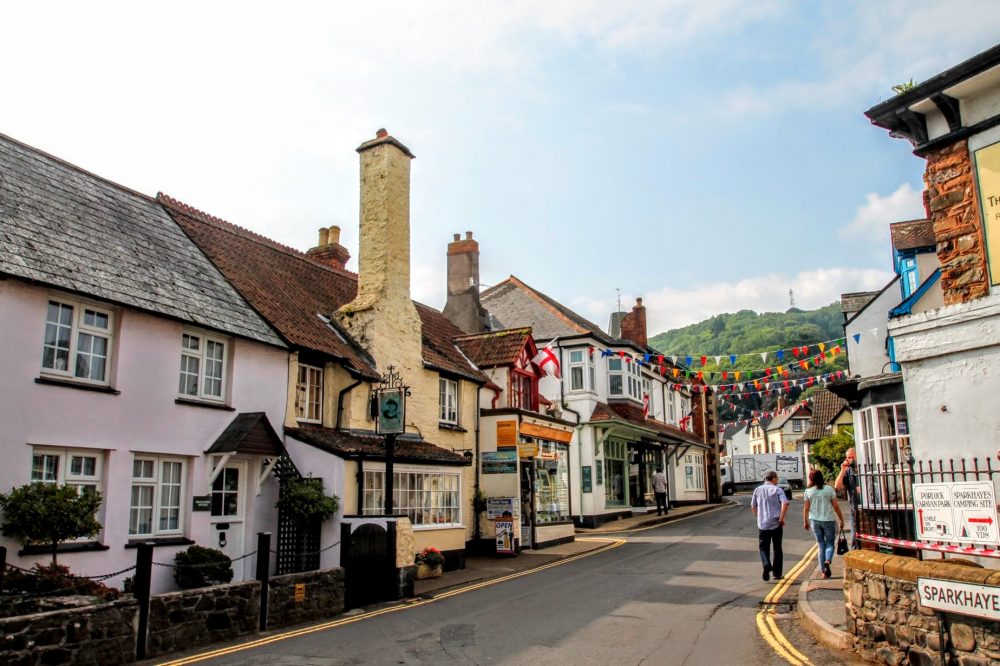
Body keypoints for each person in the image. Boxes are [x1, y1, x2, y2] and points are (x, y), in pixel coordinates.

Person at [803, 469, 845, 579]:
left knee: (821, 545)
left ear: (811, 479)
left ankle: (823, 572)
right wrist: (841, 519)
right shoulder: (829, 490)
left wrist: (805, 521)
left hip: (815, 521)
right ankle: (828, 561)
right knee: (830, 544)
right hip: (829, 520)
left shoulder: (808, 491)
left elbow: (806, 508)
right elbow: (836, 506)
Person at [751, 470, 789, 582]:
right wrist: (781, 518)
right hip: (775, 523)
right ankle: (777, 574)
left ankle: (766, 564)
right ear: (773, 478)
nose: (777, 480)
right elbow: (785, 503)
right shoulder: (778, 489)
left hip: (762, 524)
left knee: (763, 548)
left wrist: (758, 516)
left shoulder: (757, 490)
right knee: (777, 549)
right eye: (776, 478)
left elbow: (753, 506)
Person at [834, 448, 861, 548]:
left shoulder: (862, 467)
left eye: (852, 457)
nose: (850, 459)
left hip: (866, 506)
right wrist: (842, 470)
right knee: (854, 537)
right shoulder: (848, 471)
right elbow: (837, 486)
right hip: (854, 508)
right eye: (848, 458)